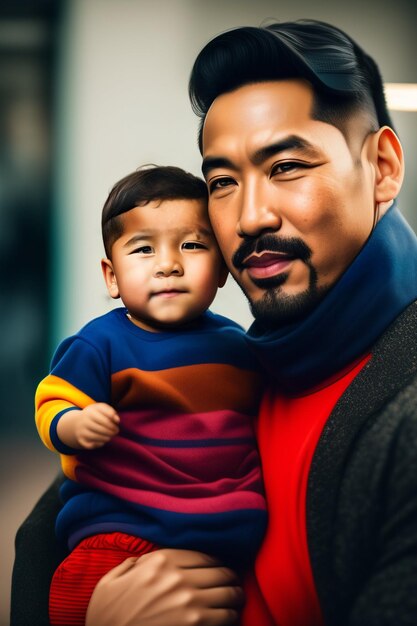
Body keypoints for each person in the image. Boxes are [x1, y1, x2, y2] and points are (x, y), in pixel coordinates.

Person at [11, 19, 417, 626]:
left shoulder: (400, 410)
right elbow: (45, 540)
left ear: (381, 167)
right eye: (222, 181)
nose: (249, 217)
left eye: (285, 167)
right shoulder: (248, 356)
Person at [32, 164, 266, 626]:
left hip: (226, 538)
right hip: (122, 531)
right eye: (143, 249)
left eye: (192, 245)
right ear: (112, 276)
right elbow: (52, 401)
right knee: (71, 599)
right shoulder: (99, 344)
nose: (169, 264)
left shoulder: (240, 347)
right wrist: (75, 424)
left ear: (221, 269)